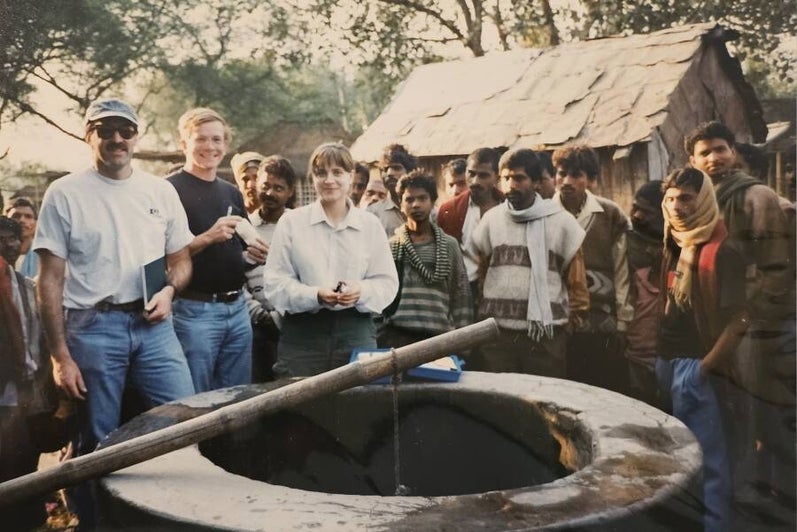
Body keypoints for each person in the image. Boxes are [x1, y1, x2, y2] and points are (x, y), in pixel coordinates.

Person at [34, 98, 196, 524]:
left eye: (125, 131)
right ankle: (93, 522)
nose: (117, 139)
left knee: (184, 420)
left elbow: (180, 260)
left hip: (153, 326)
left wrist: (169, 292)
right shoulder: (65, 193)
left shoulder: (160, 191)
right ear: (90, 135)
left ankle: (176, 518)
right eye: (106, 130)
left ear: (137, 136)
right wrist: (59, 356)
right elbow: (48, 278)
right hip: (92, 327)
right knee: (98, 439)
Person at [686, 121, 795, 514]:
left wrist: (752, 318)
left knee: (755, 407)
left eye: (721, 149)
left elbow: (777, 268)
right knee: (722, 405)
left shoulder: (756, 197)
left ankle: (757, 497)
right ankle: (729, 487)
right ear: (693, 161)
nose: (715, 158)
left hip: (753, 322)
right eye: (705, 153)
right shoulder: (698, 200)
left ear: (733, 152)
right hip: (712, 317)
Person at [656, 167, 748, 532]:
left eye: (687, 198)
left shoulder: (722, 251)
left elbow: (740, 320)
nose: (677, 206)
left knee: (710, 465)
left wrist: (704, 369)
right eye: (671, 198)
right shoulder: (675, 241)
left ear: (704, 199)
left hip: (695, 369)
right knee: (677, 461)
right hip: (667, 364)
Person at [264, 142, 398, 377]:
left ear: (351, 176)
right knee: (299, 404)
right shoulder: (292, 223)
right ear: (311, 177)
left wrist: (361, 290)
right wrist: (315, 295)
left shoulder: (369, 225)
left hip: (355, 329)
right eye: (321, 173)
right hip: (303, 333)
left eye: (337, 172)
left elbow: (387, 283)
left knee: (360, 402)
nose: (329, 180)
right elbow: (275, 284)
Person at [168, 108, 267, 393]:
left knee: (236, 399)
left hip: (237, 310)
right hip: (194, 312)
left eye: (217, 140)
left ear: (225, 145)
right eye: (201, 139)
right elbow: (163, 256)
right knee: (196, 401)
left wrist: (251, 256)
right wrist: (207, 237)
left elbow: (238, 255)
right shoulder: (168, 190)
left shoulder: (231, 192)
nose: (210, 147)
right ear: (184, 144)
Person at [468, 149, 588, 377]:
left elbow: (577, 284)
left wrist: (569, 325)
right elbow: (482, 271)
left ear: (536, 183)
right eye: (506, 178)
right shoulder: (491, 220)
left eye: (519, 178)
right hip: (498, 336)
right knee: (500, 400)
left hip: (546, 337)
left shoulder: (562, 223)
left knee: (544, 404)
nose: (511, 185)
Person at [553, 145, 633, 395]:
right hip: (558, 321)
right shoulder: (545, 214)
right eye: (561, 173)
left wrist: (623, 320)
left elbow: (622, 270)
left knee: (602, 389)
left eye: (576, 175)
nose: (567, 181)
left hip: (602, 321)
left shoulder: (610, 214)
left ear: (591, 180)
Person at [0, 217, 62, 530]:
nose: (9, 244)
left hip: (26, 390)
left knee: (24, 459)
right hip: (4, 391)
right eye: (2, 239)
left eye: (14, 238)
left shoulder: (27, 285)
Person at [378, 171, 472, 348]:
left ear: (433, 201)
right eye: (409, 199)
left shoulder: (449, 245)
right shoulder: (392, 247)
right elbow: (381, 297)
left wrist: (462, 345)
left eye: (422, 198)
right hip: (398, 337)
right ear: (400, 204)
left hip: (439, 338)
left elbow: (461, 296)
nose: (416, 205)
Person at [246, 155, 296, 381]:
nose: (270, 193)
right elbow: (236, 277)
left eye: (279, 188)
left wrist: (281, 315)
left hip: (293, 324)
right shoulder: (244, 227)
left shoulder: (300, 226)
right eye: (265, 185)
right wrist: (257, 313)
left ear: (290, 192)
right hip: (255, 325)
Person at [438, 147, 505, 304]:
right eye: (471, 173)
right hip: (463, 294)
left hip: (501, 291)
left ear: (497, 177)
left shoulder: (509, 208)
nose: (475, 181)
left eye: (483, 175)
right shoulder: (449, 210)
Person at [625, 181, 665, 408]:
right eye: (635, 208)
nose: (638, 216)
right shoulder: (627, 240)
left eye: (647, 212)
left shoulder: (676, 248)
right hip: (635, 354)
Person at [367, 144, 414, 236]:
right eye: (385, 169)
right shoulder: (372, 213)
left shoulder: (426, 210)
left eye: (396, 168)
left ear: (409, 172)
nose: (389, 173)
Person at [5, 197, 39, 278]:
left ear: (36, 223)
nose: (22, 220)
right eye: (16, 216)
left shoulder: (44, 255)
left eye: (28, 216)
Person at [230, 151, 265, 215]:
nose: (250, 185)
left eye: (256, 177)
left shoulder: (280, 216)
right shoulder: (232, 215)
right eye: (245, 179)